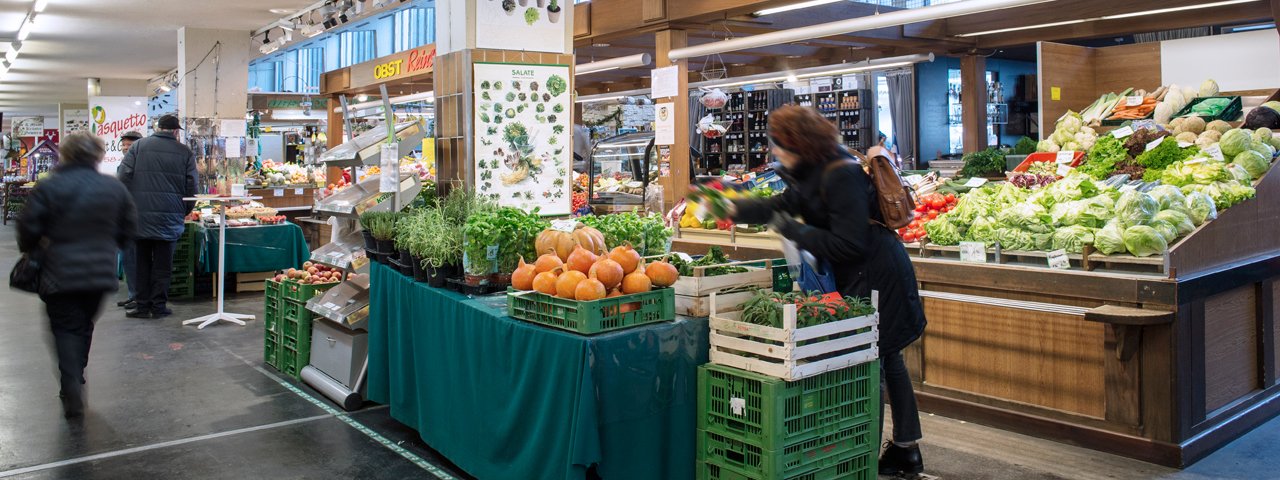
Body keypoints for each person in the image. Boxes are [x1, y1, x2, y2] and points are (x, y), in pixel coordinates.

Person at [722, 106, 928, 476]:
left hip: (879, 273)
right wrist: (728, 207)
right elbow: (779, 207)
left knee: (873, 361)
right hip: (867, 272)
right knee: (887, 357)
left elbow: (850, 244)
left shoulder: (841, 173)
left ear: (800, 143)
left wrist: (795, 231)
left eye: (781, 145)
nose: (777, 153)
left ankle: (864, 458)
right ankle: (905, 451)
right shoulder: (815, 171)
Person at [17, 132, 137, 417]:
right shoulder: (114, 188)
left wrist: (35, 247)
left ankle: (71, 381)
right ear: (96, 156)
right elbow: (129, 229)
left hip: (57, 273)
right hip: (99, 273)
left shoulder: (49, 187)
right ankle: (76, 374)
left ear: (65, 155)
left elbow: (28, 229)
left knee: (65, 328)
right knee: (83, 325)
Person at [119, 115, 197, 319]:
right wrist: (185, 210)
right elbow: (191, 186)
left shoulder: (138, 147)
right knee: (163, 266)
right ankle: (159, 306)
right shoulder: (185, 152)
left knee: (141, 264)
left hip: (140, 217)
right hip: (169, 219)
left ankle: (142, 306)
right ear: (175, 131)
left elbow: (123, 177)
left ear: (158, 128)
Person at [116, 130, 144, 309]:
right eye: (124, 145)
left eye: (129, 145)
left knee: (133, 257)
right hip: (127, 216)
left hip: (136, 217)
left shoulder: (140, 164)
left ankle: (138, 296)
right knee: (128, 258)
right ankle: (134, 294)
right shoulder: (125, 162)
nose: (126, 148)